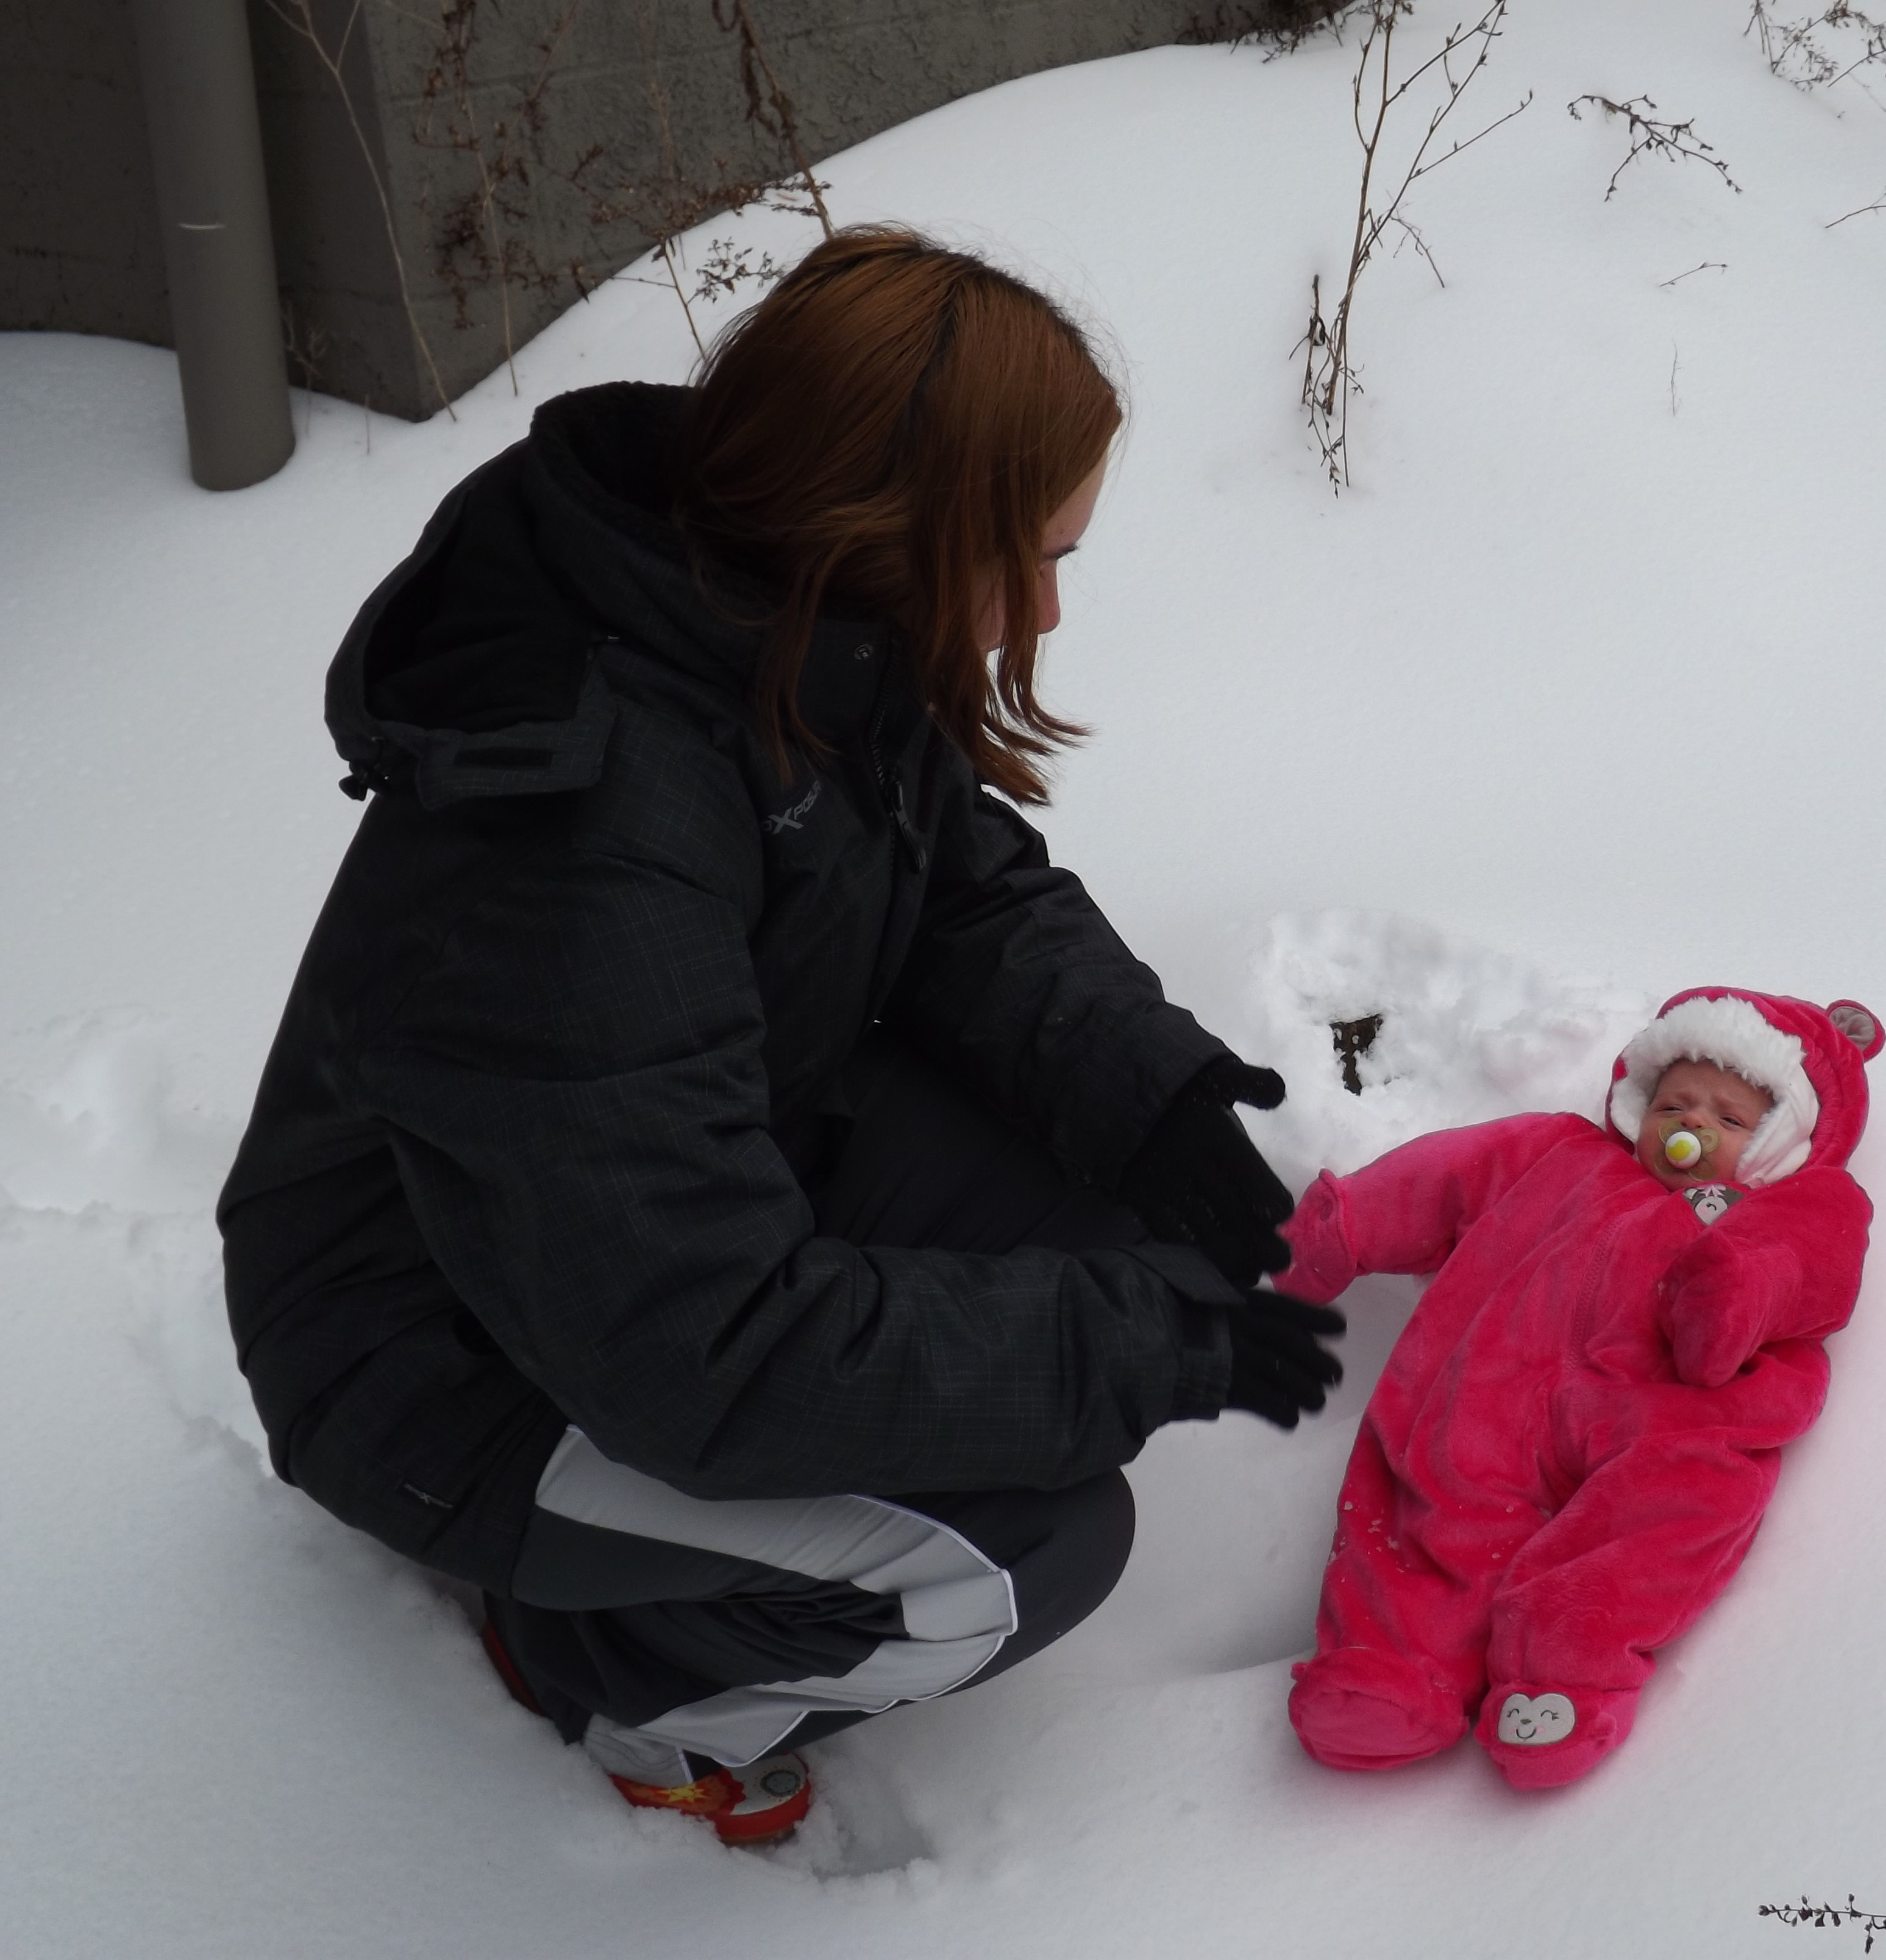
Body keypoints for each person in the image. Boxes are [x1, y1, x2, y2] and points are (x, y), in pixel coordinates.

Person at [216, 227, 1345, 1847]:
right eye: (1028, 558)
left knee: (1117, 1214)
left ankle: (676, 1577)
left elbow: (964, 895)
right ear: (888, 525)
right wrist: (1139, 1354)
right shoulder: (582, 839)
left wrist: (1154, 1106)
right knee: (1020, 1552)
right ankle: (619, 1685)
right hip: (450, 1360)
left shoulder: (789, 620)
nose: (1042, 607)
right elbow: (705, 1356)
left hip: (660, 1206)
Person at [1270, 987, 1885, 1789]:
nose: (1693, 1127)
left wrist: (1731, 1294)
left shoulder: (1799, 1203)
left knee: (1649, 1532)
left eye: (1730, 1121)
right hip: (1497, 1391)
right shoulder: (1560, 1157)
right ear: (1638, 1103)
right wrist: (1352, 1222)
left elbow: (1809, 1264)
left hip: (1668, 1411)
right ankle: (1391, 1672)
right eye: (1675, 1104)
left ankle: (1559, 1680)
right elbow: (1448, 1177)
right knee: (1432, 1503)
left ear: (1780, 1141)